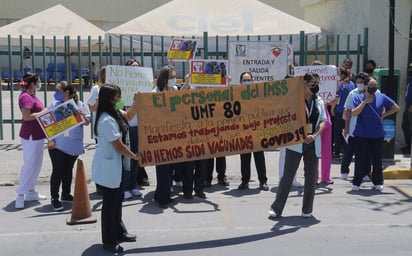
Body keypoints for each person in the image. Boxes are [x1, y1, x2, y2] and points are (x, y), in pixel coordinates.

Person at [268, 72, 327, 218]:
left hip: (312, 143)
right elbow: (286, 120)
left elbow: (323, 121)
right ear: (304, 84)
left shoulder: (319, 101)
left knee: (311, 177)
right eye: (312, 84)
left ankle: (307, 209)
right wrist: (300, 135)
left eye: (317, 84)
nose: (315, 86)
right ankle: (277, 208)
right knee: (288, 176)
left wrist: (314, 135)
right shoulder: (293, 100)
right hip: (295, 143)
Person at [91, 84, 139, 253]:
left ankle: (120, 232)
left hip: (117, 165)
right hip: (109, 166)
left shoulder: (115, 113)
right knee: (110, 205)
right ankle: (109, 241)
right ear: (110, 99)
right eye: (118, 97)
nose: (120, 100)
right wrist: (135, 157)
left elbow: (130, 115)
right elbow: (118, 146)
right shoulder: (106, 120)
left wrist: (137, 102)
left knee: (117, 201)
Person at [351, 76, 399, 191]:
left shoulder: (381, 97)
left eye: (375, 86)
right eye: (371, 85)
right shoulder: (358, 97)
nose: (373, 88)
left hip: (377, 134)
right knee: (360, 159)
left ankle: (378, 181)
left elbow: (395, 107)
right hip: (361, 134)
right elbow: (354, 113)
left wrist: (384, 115)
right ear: (365, 86)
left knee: (377, 159)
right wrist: (364, 103)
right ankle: (357, 182)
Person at [47, 81, 90, 211]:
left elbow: (87, 122)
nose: (56, 93)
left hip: (73, 144)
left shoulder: (79, 104)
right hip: (58, 145)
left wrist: (82, 114)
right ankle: (55, 198)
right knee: (58, 171)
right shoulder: (54, 105)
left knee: (68, 170)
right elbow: (47, 124)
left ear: (66, 92)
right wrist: (50, 140)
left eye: (58, 90)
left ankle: (66, 194)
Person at [15, 73, 47, 209]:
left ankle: (31, 191)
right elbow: (27, 116)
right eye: (39, 81)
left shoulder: (32, 95)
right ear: (33, 83)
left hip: (38, 135)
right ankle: (20, 195)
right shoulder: (26, 97)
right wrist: (45, 112)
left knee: (37, 164)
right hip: (30, 136)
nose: (40, 83)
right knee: (29, 164)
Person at [152, 65, 179, 208]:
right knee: (162, 167)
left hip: (173, 134)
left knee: (170, 167)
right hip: (160, 135)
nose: (174, 80)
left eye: (175, 77)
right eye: (171, 77)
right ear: (164, 79)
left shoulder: (174, 90)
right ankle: (163, 198)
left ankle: (162, 193)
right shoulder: (155, 92)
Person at [237, 72, 269, 191]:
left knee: (259, 157)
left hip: (256, 130)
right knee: (244, 158)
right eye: (244, 80)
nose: (246, 82)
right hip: (243, 131)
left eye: (248, 79)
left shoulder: (257, 94)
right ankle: (245, 181)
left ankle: (263, 181)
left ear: (252, 81)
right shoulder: (236, 94)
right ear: (240, 82)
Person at [341, 72, 371, 180]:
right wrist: (346, 128)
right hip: (354, 128)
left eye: (361, 82)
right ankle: (344, 170)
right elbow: (347, 112)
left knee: (366, 152)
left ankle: (365, 173)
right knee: (350, 151)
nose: (359, 84)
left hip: (368, 129)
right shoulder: (353, 93)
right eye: (357, 82)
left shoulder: (374, 93)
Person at [122, 58, 144, 200]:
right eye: (132, 66)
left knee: (137, 156)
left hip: (140, 126)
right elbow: (120, 109)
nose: (135, 68)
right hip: (127, 127)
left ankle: (133, 185)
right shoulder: (122, 87)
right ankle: (125, 187)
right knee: (127, 158)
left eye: (138, 66)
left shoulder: (143, 85)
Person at [87, 66, 106, 195]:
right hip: (100, 127)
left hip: (113, 126)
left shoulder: (115, 88)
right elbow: (91, 108)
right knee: (101, 156)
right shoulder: (96, 89)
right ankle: (99, 183)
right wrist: (99, 101)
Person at [331, 67, 355, 158]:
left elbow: (336, 98)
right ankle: (348, 151)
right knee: (347, 131)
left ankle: (337, 152)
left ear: (342, 75)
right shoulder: (352, 84)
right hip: (349, 111)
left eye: (339, 74)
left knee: (337, 132)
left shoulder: (340, 85)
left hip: (340, 111)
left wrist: (332, 109)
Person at [401, 63, 412, 154]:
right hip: (408, 106)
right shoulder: (410, 79)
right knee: (405, 125)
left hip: (411, 107)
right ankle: (409, 145)